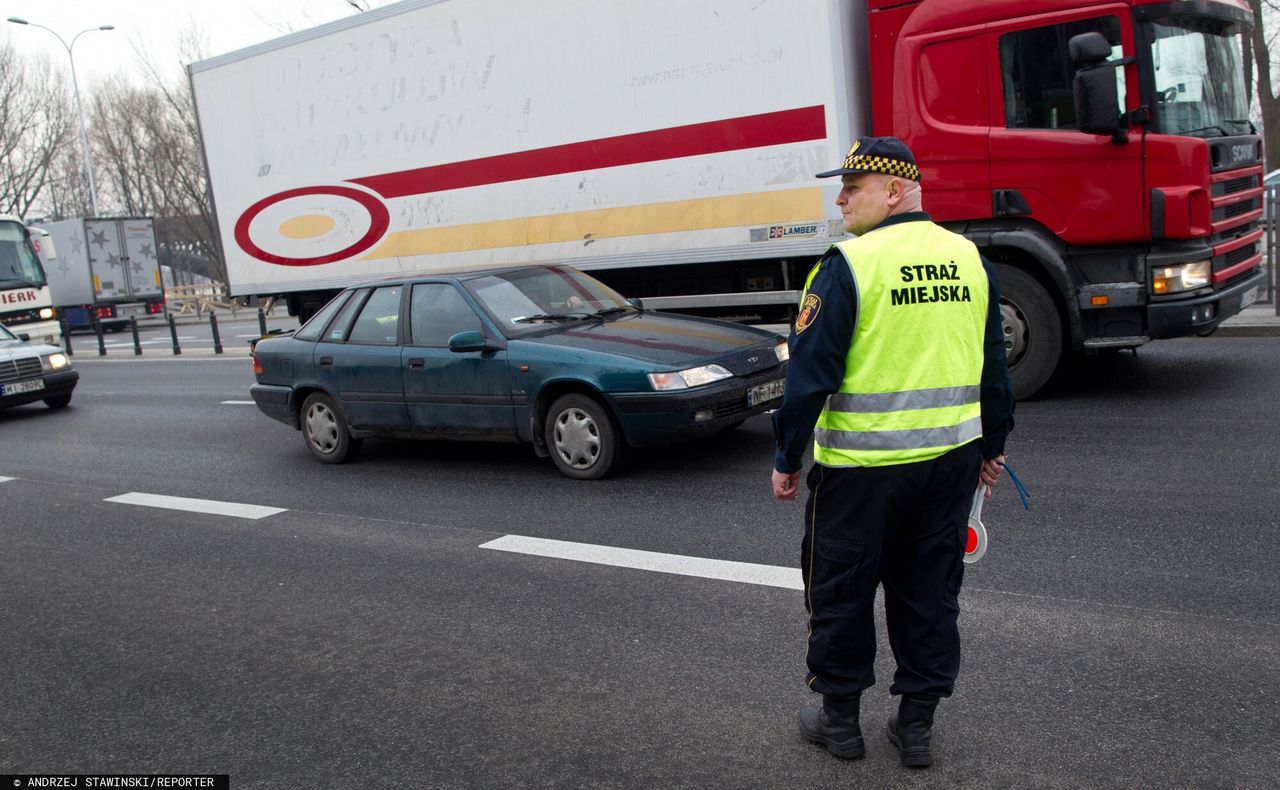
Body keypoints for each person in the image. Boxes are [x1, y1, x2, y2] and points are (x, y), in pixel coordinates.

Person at [769, 136, 1015, 768]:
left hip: (860, 473)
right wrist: (993, 447)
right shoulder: (969, 259)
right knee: (929, 594)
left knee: (841, 591)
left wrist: (786, 456)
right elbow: (994, 370)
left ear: (896, 191)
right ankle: (916, 728)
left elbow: (809, 377)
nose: (842, 197)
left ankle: (841, 723)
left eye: (854, 186)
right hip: (949, 468)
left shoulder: (848, 265)